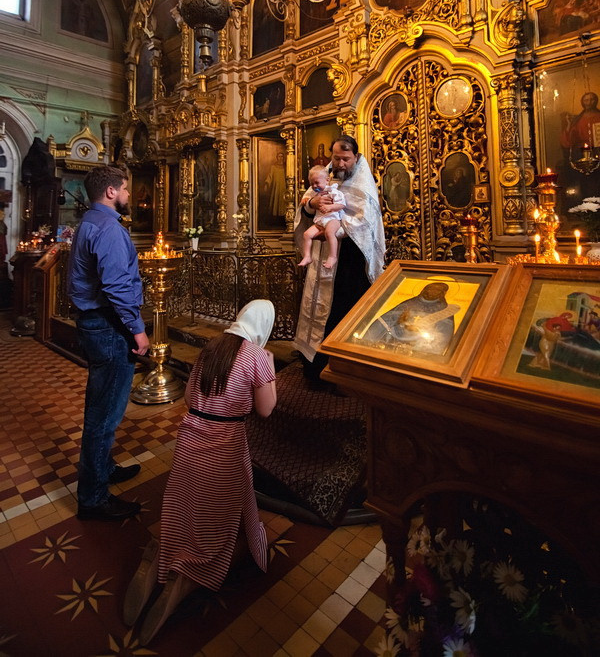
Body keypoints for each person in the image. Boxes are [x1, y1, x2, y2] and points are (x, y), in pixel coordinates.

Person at [123, 300, 277, 644]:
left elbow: (192, 397)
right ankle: (186, 577)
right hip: (224, 444)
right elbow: (266, 410)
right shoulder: (257, 356)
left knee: (185, 503)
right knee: (215, 516)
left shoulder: (213, 347)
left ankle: (161, 554)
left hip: (191, 438)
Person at [68, 165, 149, 522]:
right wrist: (138, 330)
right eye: (126, 189)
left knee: (100, 404)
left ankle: (104, 468)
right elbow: (116, 286)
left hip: (94, 324)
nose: (130, 194)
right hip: (109, 325)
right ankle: (94, 498)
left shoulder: (89, 222)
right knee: (104, 416)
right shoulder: (108, 229)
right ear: (112, 192)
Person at [294, 135, 386, 382]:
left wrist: (335, 230)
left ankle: (343, 374)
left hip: (350, 264)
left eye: (345, 159)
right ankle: (314, 369)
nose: (341, 163)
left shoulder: (364, 183)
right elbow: (303, 207)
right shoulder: (324, 176)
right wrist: (313, 202)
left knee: (343, 316)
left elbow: (366, 222)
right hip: (322, 261)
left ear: (356, 157)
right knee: (317, 312)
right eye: (336, 158)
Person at [365, 282, 459, 355]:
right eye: (430, 289)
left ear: (443, 293)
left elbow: (443, 335)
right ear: (423, 290)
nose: (432, 292)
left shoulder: (444, 311)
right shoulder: (409, 303)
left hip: (420, 346)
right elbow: (385, 320)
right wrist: (368, 339)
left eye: (437, 290)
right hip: (394, 341)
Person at [298, 166, 347, 270]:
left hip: (333, 219)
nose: (314, 186)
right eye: (312, 184)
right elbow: (307, 199)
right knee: (306, 235)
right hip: (320, 221)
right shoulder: (314, 192)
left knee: (329, 233)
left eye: (317, 183)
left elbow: (342, 205)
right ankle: (307, 257)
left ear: (327, 180)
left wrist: (330, 207)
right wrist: (307, 200)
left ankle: (332, 257)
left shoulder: (334, 192)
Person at [264, 151, 286, 219]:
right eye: (279, 156)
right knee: (275, 200)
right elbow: (270, 176)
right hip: (275, 187)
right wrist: (267, 183)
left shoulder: (286, 167)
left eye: (281, 156)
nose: (280, 158)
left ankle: (283, 215)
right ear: (277, 158)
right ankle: (275, 217)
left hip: (283, 187)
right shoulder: (273, 167)